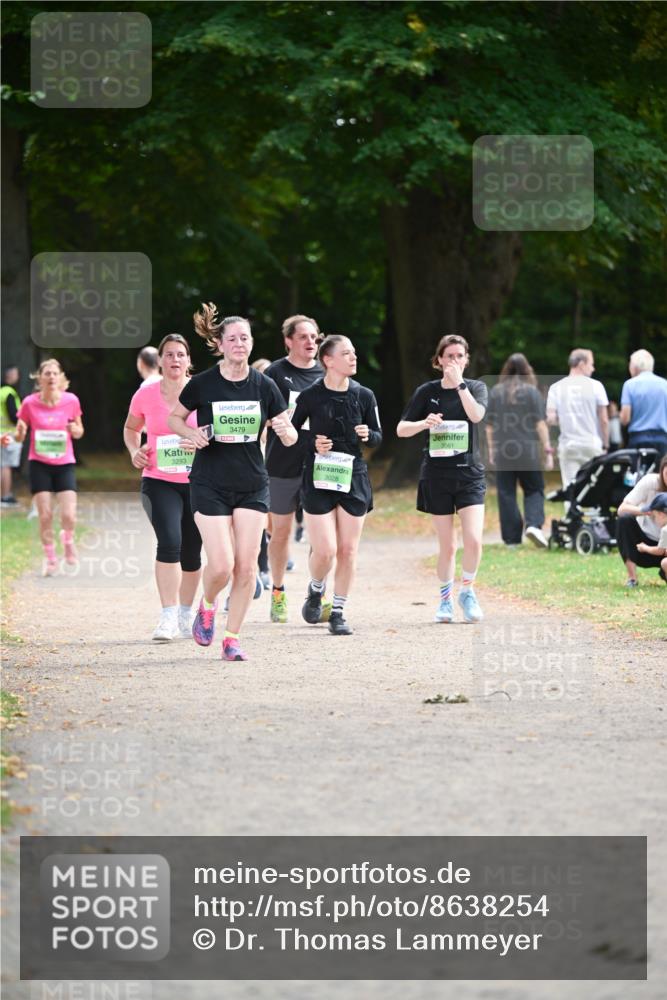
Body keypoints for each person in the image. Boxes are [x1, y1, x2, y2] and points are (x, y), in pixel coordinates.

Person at [168, 305, 297, 661]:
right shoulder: (204, 383)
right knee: (221, 565)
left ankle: (232, 637)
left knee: (247, 567)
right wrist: (191, 433)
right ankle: (207, 605)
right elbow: (175, 418)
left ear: (251, 343)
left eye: (245, 338)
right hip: (210, 481)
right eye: (233, 339)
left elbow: (286, 432)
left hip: (253, 483)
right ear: (220, 345)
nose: (240, 344)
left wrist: (287, 432)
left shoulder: (265, 385)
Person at [291, 334, 382, 636]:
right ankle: (316, 589)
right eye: (346, 353)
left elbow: (379, 435)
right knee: (326, 550)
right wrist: (312, 442)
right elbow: (291, 436)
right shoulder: (310, 396)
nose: (354, 357)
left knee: (348, 550)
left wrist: (369, 434)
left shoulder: (364, 395)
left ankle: (338, 611)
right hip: (319, 477)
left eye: (354, 352)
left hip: (353, 477)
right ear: (328, 360)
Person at [397, 334, 488, 623]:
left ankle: (468, 591)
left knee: (473, 540)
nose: (454, 361)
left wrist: (460, 384)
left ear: (466, 360)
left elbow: (476, 416)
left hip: (469, 473)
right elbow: (401, 429)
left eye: (460, 356)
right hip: (437, 475)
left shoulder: (475, 387)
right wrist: (424, 423)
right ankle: (446, 600)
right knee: (448, 545)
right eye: (449, 356)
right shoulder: (427, 391)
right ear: (438, 361)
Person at [124, 334, 202, 641]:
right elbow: (131, 429)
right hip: (158, 480)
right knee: (169, 541)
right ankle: (168, 616)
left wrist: (199, 439)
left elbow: (214, 430)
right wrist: (134, 451)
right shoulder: (146, 394)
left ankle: (185, 613)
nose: (175, 360)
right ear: (161, 360)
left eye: (180, 354)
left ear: (188, 360)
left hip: (198, 481)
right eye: (169, 354)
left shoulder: (202, 391)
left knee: (192, 552)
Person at [264, 315, 324, 622]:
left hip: (320, 465)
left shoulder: (326, 371)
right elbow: (261, 417)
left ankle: (317, 593)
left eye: (314, 336)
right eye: (303, 336)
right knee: (282, 532)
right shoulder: (275, 372)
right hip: (282, 463)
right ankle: (277, 591)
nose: (310, 342)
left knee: (320, 534)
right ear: (288, 341)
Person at [14, 359, 84, 576]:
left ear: (60, 377)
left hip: (64, 464)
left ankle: (68, 539)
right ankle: (51, 557)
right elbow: (19, 434)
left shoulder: (71, 400)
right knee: (45, 515)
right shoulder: (29, 403)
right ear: (40, 378)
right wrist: (20, 433)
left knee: (69, 515)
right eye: (47, 373)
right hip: (39, 464)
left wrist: (74, 429)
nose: (52, 377)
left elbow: (80, 431)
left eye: (55, 373)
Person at [486, 353, 553, 548]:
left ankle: (511, 539)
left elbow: (489, 426)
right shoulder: (532, 393)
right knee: (534, 489)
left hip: (503, 452)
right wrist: (548, 450)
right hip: (528, 450)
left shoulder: (496, 392)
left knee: (506, 493)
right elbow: (541, 425)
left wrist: (491, 451)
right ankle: (533, 525)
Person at [546, 348, 609, 492]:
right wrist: (605, 445)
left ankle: (571, 513)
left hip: (569, 445)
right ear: (581, 364)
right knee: (594, 487)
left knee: (570, 486)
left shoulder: (556, 388)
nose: (593, 368)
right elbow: (604, 419)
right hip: (591, 444)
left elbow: (550, 419)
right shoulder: (596, 386)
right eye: (591, 364)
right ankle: (594, 513)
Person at [616, 455, 667, 587]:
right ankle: (632, 578)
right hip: (643, 544)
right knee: (624, 520)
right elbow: (622, 509)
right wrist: (645, 511)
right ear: (662, 472)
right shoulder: (650, 482)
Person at [620, 350, 667, 456]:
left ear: (635, 367)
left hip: (638, 439)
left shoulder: (629, 385)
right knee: (660, 472)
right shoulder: (665, 385)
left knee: (638, 472)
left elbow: (625, 419)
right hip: (662, 439)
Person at [1, 364, 22, 505]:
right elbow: (13, 416)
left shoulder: (1, 391)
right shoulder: (9, 393)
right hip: (8, 434)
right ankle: (6, 496)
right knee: (6, 466)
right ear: (11, 375)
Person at [635, 493, 667, 582]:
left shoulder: (665, 530)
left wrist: (645, 548)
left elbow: (659, 551)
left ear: (661, 514)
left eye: (654, 517)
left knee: (665, 563)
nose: (654, 520)